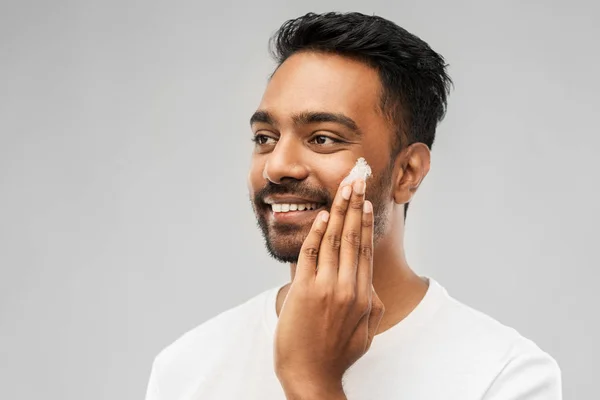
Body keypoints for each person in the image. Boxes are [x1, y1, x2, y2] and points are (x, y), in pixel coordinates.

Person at [144, 11, 562, 400]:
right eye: (265, 138)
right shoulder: (186, 370)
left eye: (322, 138)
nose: (277, 166)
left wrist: (312, 380)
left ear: (407, 173)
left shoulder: (505, 375)